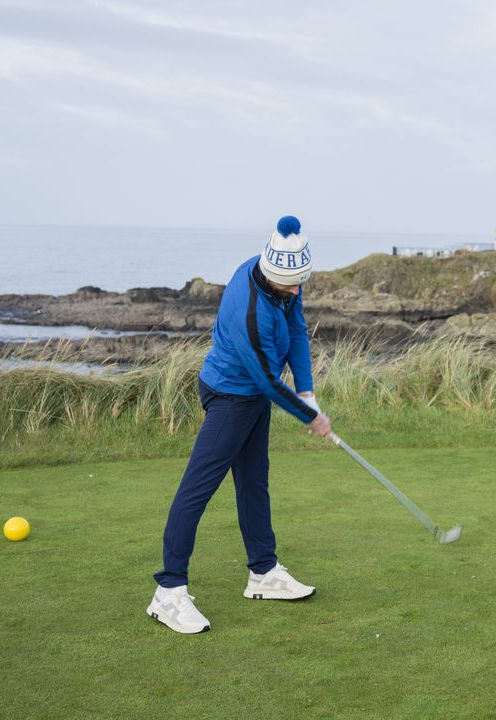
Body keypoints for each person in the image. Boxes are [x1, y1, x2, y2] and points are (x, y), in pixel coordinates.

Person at [147, 215, 331, 634]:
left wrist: (308, 393)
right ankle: (168, 592)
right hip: (229, 397)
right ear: (270, 273)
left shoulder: (283, 279)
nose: (297, 290)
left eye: (301, 282)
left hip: (252, 400)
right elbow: (266, 380)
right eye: (291, 284)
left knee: (254, 482)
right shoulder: (251, 310)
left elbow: (298, 331)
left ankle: (263, 573)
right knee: (197, 488)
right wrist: (311, 419)